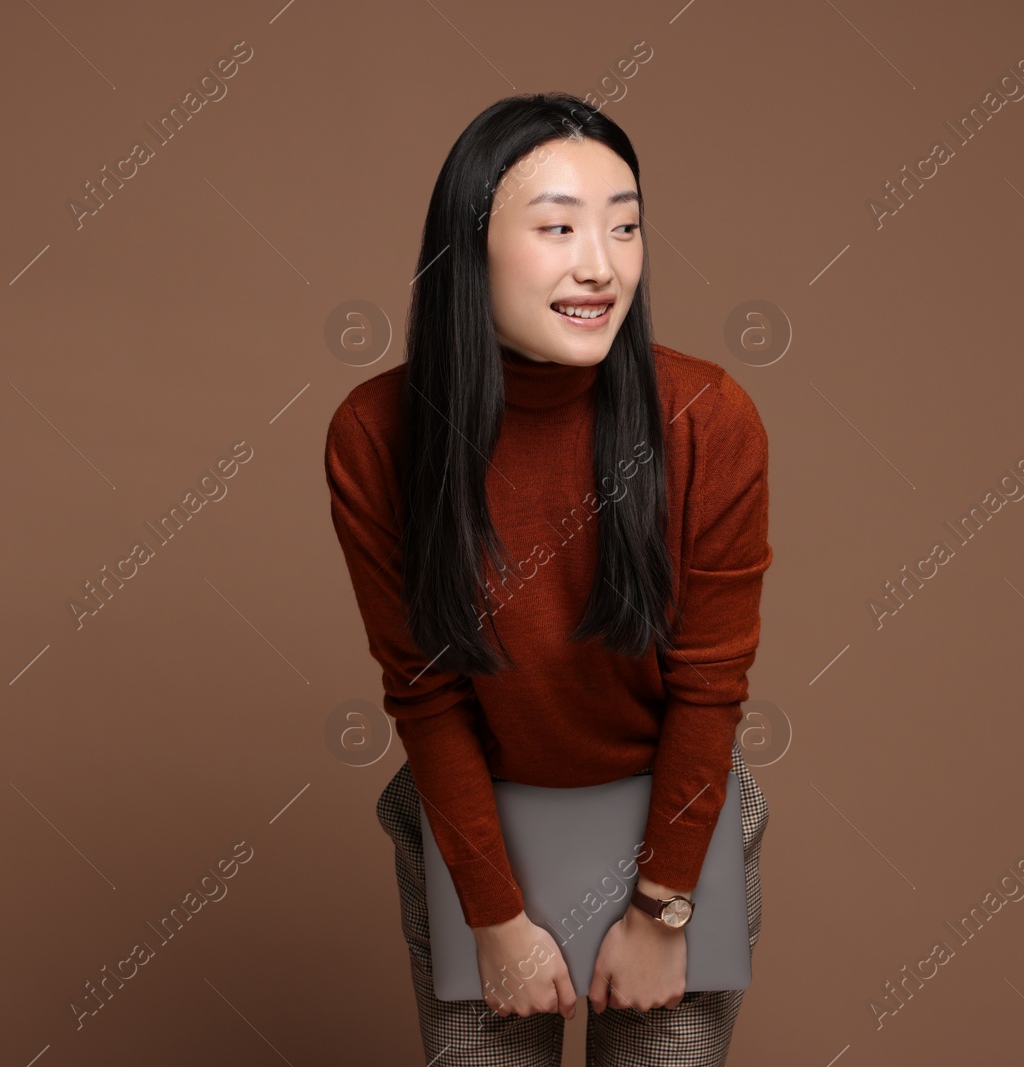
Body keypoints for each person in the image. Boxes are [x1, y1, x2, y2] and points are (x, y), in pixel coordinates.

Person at [324, 91, 772, 1066]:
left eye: (624, 225)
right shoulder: (375, 434)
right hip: (477, 827)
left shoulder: (706, 417)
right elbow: (426, 692)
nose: (600, 264)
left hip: (675, 827)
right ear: (469, 246)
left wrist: (661, 910)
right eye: (559, 227)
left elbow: (708, 684)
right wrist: (495, 919)